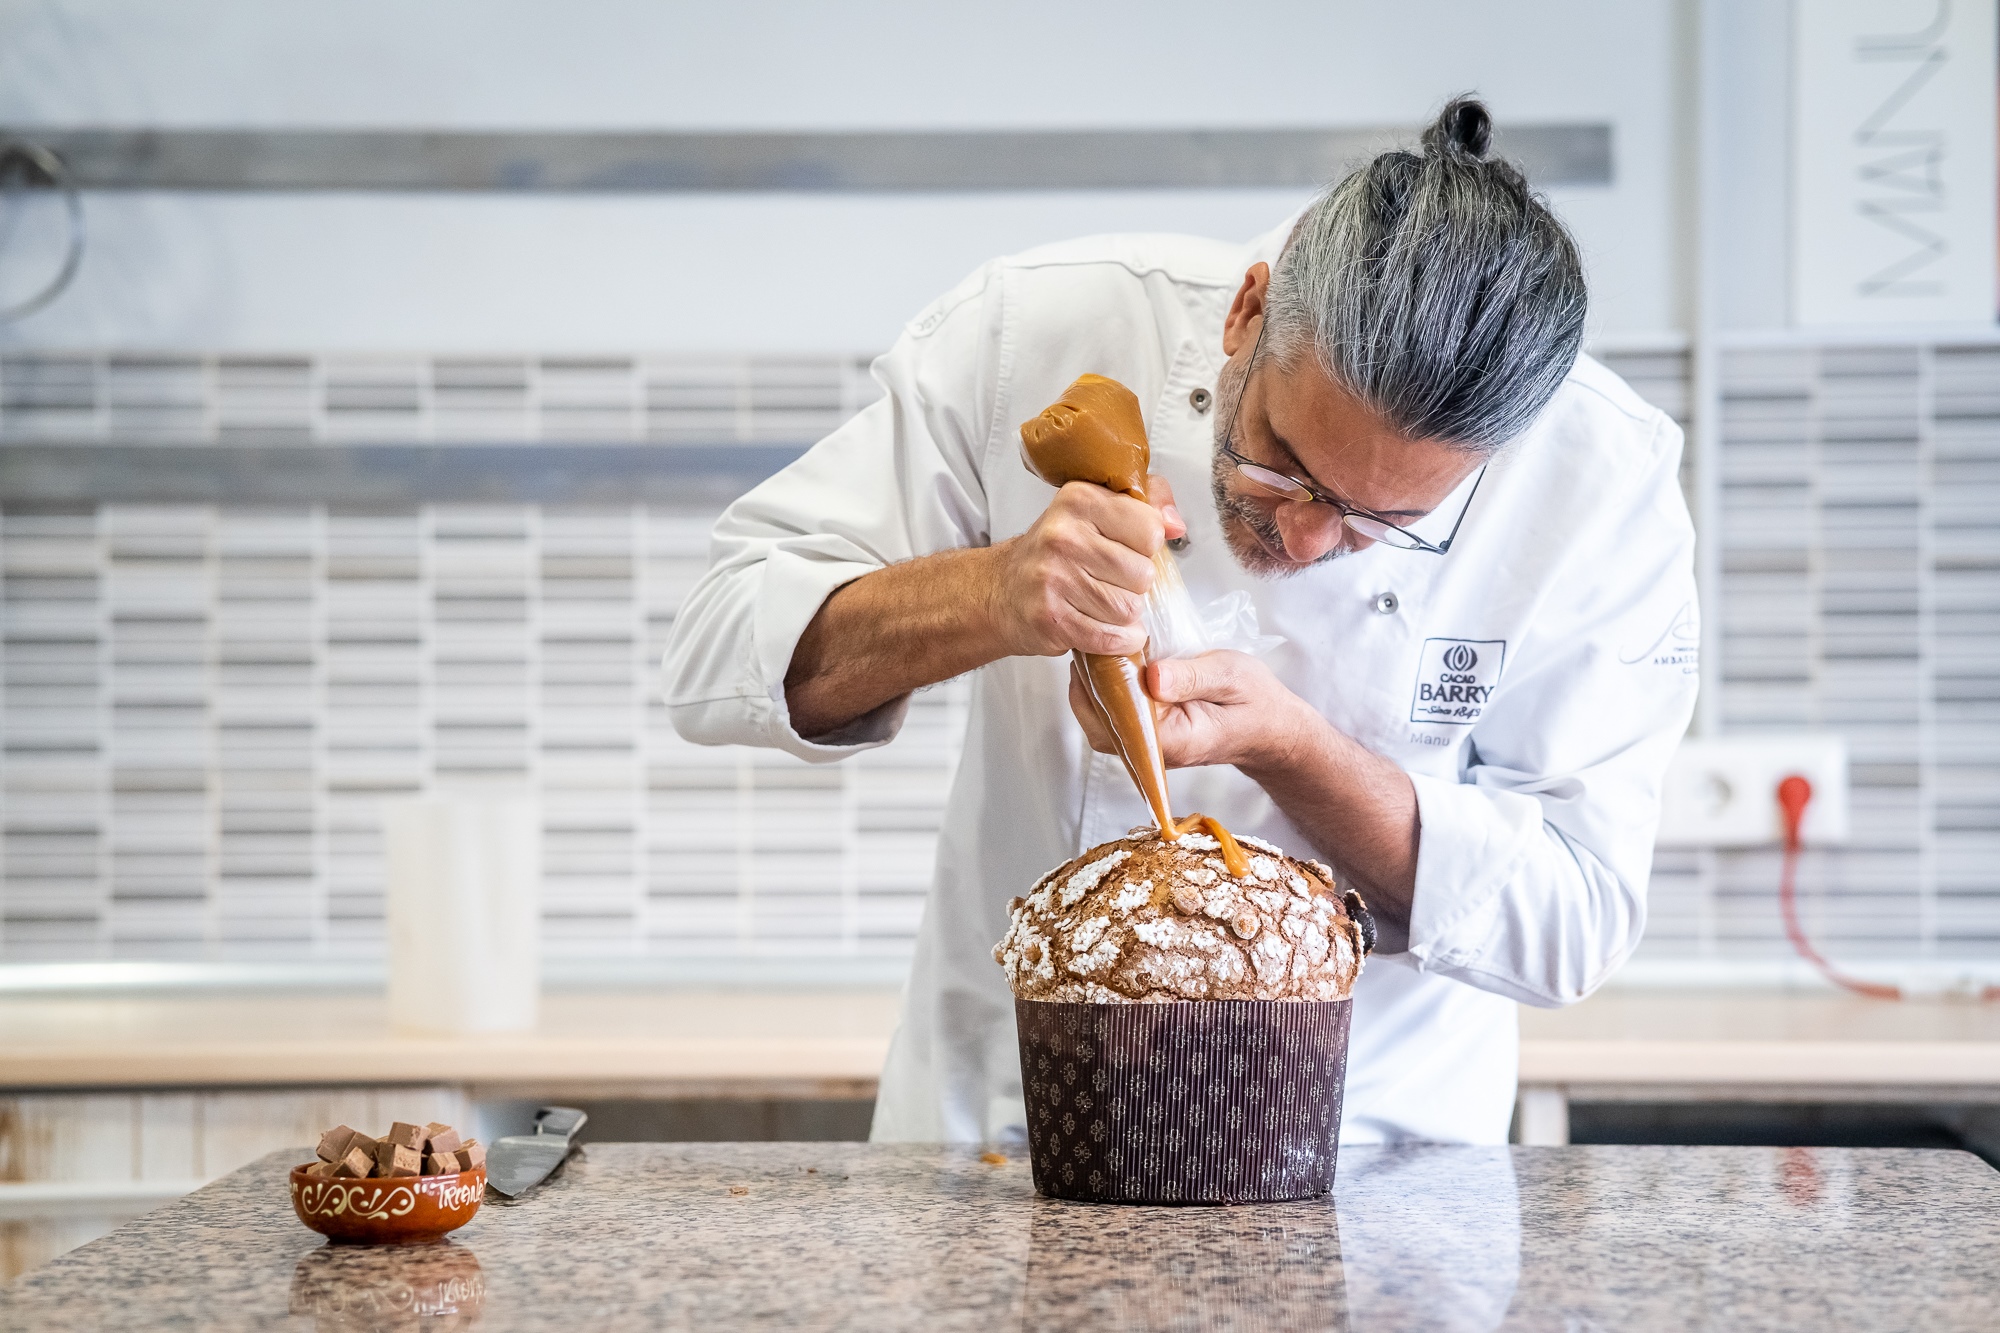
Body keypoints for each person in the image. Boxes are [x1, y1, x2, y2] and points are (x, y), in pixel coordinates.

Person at [662, 97, 1698, 1144]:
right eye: (1278, 462)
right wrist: (991, 591)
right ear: (1246, 311)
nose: (1300, 539)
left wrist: (1287, 747)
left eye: (1384, 521)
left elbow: (1571, 923)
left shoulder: (1599, 479)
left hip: (1371, 1157)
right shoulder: (1038, 327)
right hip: (1011, 1141)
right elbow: (721, 651)